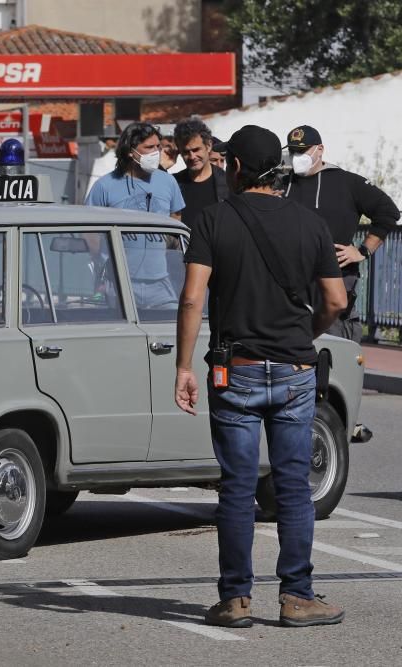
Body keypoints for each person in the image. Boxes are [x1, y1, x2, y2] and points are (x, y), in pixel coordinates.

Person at [174, 125, 348, 629]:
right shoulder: (310, 223)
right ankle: (296, 596)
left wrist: (184, 366)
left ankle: (234, 600)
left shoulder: (211, 219)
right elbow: (335, 301)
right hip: (295, 369)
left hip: (238, 369)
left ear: (235, 167)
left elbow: (192, 298)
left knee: (236, 485)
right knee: (293, 486)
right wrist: (305, 337)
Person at [283, 124, 400, 342]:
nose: (297, 156)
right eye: (293, 151)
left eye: (303, 150)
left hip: (332, 286)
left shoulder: (346, 182)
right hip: (290, 288)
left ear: (320, 149)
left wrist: (363, 250)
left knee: (332, 352)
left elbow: (388, 212)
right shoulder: (282, 183)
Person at [86, 122, 185, 308]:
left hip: (160, 282)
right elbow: (89, 230)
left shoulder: (168, 182)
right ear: (131, 151)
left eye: (158, 146)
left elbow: (176, 217)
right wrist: (101, 263)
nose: (156, 152)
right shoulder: (105, 186)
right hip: (118, 283)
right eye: (149, 148)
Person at [173, 119, 229, 226]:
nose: (192, 157)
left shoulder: (228, 183)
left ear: (208, 146)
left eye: (196, 150)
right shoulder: (173, 183)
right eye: (186, 152)